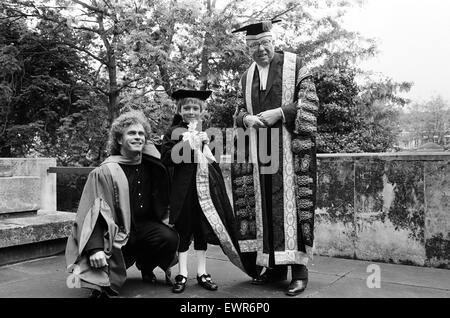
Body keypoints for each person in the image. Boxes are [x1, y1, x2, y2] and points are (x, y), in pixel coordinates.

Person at [232, 20, 319, 296]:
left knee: (291, 207)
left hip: (289, 149)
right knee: (266, 206)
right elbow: (237, 111)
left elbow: (309, 102)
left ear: (273, 40)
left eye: (264, 43)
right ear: (248, 49)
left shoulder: (296, 64)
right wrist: (245, 118)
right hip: (260, 152)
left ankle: (299, 272)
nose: (261, 50)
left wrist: (280, 113)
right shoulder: (246, 77)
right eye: (254, 46)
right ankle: (274, 266)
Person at [65, 110, 179, 298]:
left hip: (144, 228)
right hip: (115, 233)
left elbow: (171, 156)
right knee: (104, 286)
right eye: (132, 133)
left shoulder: (153, 165)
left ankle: (146, 265)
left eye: (141, 134)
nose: (138, 137)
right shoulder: (105, 171)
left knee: (169, 238)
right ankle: (103, 277)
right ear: (119, 139)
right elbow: (91, 211)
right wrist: (95, 248)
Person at [161, 89, 257, 294]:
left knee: (201, 230)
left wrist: (207, 144)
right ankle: (183, 273)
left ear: (202, 111)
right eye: (186, 108)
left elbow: (214, 161)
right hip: (183, 189)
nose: (191, 111)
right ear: (179, 109)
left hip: (204, 190)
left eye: (195, 108)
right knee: (183, 230)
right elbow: (167, 158)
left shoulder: (207, 132)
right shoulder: (172, 132)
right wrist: (187, 145)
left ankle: (202, 272)